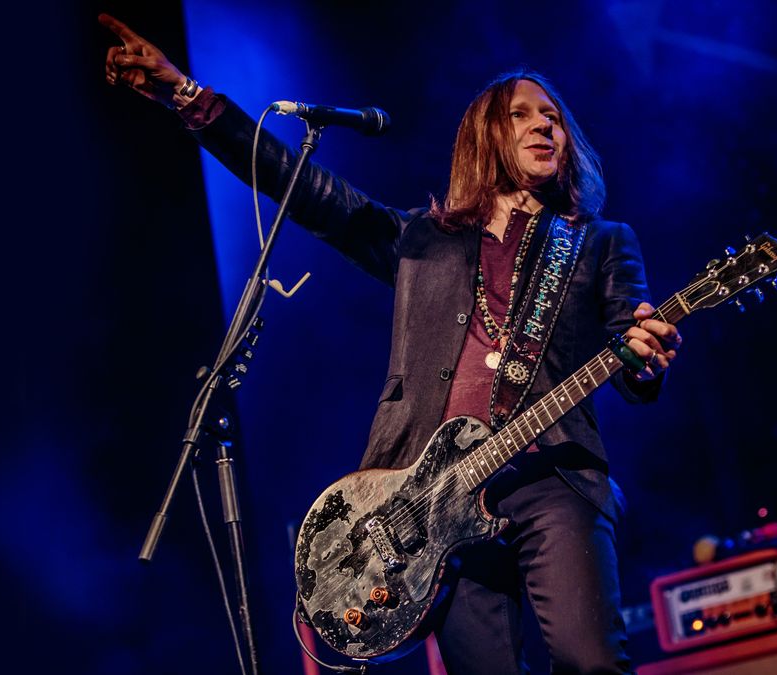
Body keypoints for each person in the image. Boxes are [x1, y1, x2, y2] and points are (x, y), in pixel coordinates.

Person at [100, 13, 681, 674]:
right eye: (523, 115)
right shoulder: (422, 241)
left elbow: (633, 362)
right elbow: (305, 189)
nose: (546, 124)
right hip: (433, 501)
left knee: (590, 660)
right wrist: (185, 94)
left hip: (552, 474)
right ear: (486, 137)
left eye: (553, 116)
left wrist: (645, 353)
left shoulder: (600, 242)